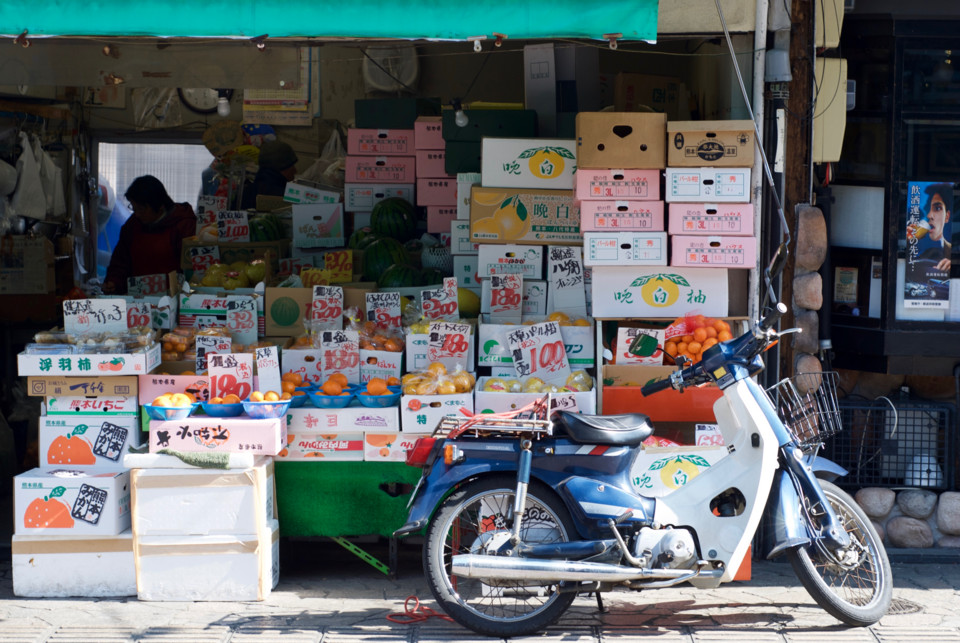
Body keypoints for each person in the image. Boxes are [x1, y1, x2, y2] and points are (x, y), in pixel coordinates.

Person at [103, 175, 197, 294]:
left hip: (174, 298)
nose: (137, 214)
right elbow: (120, 262)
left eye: (141, 209)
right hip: (137, 298)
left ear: (160, 206)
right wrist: (114, 282)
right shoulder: (133, 225)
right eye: (133, 208)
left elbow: (191, 269)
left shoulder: (184, 226)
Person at [907, 182, 952, 272]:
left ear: (947, 216)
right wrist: (908, 241)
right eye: (928, 208)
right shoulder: (917, 242)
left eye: (937, 208)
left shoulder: (952, 251)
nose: (929, 215)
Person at [241, 140, 298, 210]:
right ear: (282, 168)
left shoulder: (245, 192)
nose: (295, 171)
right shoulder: (285, 198)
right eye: (291, 166)